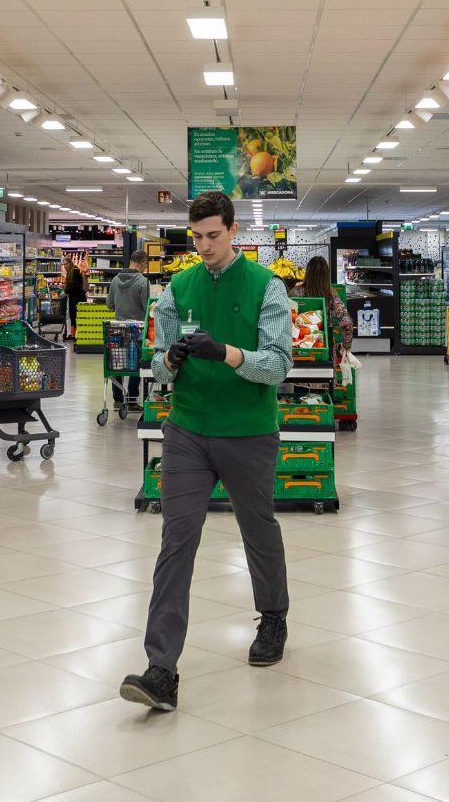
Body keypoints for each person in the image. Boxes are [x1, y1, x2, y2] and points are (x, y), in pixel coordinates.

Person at [120, 191, 293, 712]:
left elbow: (278, 364)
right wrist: (169, 360)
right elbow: (158, 364)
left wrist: (227, 353)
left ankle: (274, 617)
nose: (204, 247)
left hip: (248, 429)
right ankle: (161, 668)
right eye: (196, 237)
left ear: (233, 231)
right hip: (189, 429)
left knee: (257, 528)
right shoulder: (177, 286)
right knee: (177, 540)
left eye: (213, 236)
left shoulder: (268, 287)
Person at [290, 256, 354, 371]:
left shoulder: (295, 292)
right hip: (322, 349)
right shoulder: (331, 295)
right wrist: (345, 347)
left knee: (298, 383)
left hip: (297, 348)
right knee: (320, 379)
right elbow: (347, 323)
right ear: (326, 275)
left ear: (307, 272)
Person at [107, 251, 151, 407]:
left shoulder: (114, 280)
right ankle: (132, 400)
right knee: (136, 363)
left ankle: (117, 399)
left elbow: (109, 305)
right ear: (140, 263)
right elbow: (148, 308)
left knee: (117, 361)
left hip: (118, 328)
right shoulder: (143, 282)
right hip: (137, 330)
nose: (145, 268)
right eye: (145, 264)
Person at [62, 253, 87, 340]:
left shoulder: (75, 271)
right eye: (64, 264)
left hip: (78, 298)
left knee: (77, 316)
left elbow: (75, 285)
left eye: (66, 264)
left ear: (70, 263)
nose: (65, 266)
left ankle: (77, 335)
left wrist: (66, 291)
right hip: (73, 297)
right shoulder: (70, 272)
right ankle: (72, 335)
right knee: (72, 315)